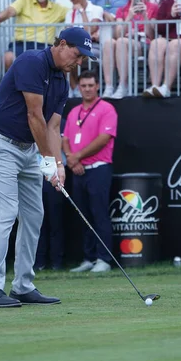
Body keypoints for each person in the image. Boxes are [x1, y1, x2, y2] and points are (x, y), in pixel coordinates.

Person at [0, 27, 96, 308]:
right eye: (77, 55)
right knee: (5, 214)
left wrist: (58, 166)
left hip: (28, 149)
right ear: (62, 44)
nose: (78, 62)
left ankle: (23, 286)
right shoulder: (31, 61)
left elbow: (53, 127)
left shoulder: (62, 82)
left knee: (34, 215)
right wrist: (47, 162)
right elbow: (34, 117)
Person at [64, 71, 117, 274]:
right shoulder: (74, 111)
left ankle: (104, 259)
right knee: (83, 216)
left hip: (98, 169)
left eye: (90, 85)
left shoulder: (107, 109)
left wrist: (77, 157)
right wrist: (70, 158)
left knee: (99, 215)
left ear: (97, 87)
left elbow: (104, 138)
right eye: (83, 85)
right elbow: (65, 139)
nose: (86, 89)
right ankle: (89, 258)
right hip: (77, 171)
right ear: (78, 87)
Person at [0, 0, 67, 71]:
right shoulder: (24, 1)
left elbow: (73, 14)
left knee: (62, 61)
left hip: (45, 47)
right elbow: (9, 11)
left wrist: (81, 6)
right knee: (8, 58)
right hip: (20, 45)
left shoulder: (57, 8)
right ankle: (12, 85)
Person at [102, 0, 159, 99]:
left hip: (144, 43)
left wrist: (144, 16)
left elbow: (152, 35)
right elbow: (118, 34)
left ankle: (123, 85)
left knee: (122, 41)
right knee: (109, 43)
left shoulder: (153, 7)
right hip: (126, 42)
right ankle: (109, 86)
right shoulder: (122, 10)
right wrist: (129, 17)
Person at [35, 117, 67, 272]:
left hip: (54, 176)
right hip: (33, 177)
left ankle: (56, 262)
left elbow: (60, 146)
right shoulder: (31, 120)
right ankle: (38, 262)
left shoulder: (57, 121)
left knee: (55, 221)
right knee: (36, 222)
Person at [63, 0, 104, 98]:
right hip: (74, 47)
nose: (71, 0)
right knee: (62, 54)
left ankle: (76, 88)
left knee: (72, 53)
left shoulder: (96, 9)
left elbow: (90, 30)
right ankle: (73, 88)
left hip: (93, 47)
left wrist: (82, 12)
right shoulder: (69, 13)